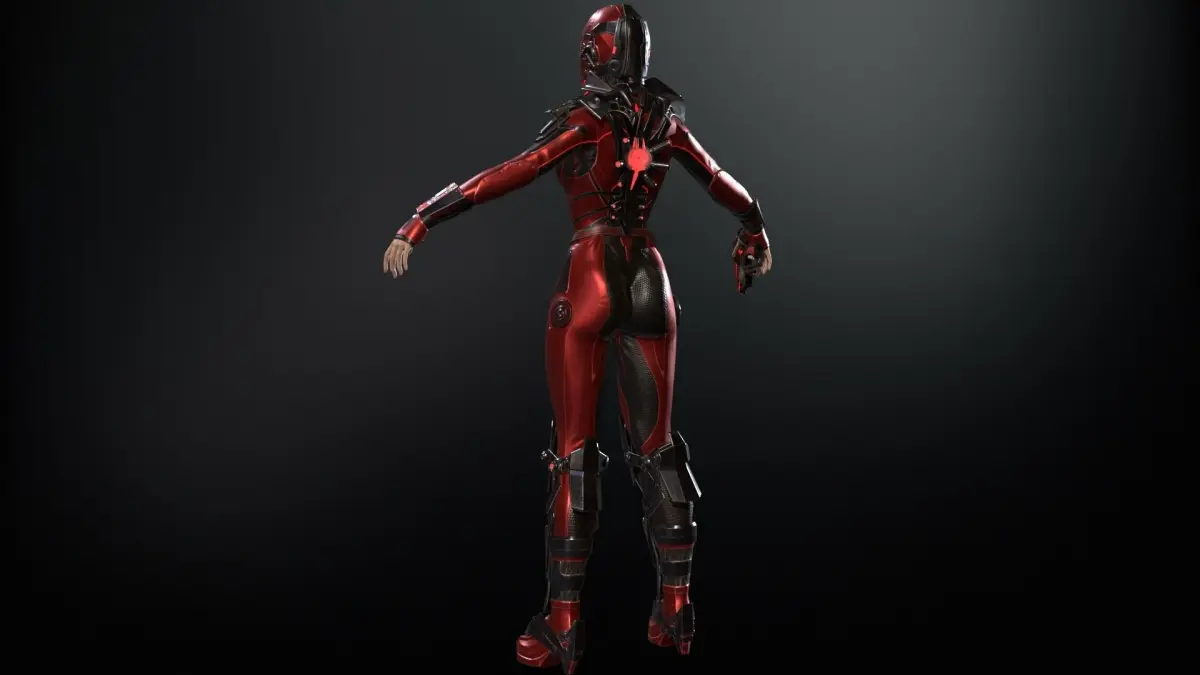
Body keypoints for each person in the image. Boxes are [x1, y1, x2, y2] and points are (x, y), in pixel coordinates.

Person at [381, 5, 773, 672]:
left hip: (590, 274)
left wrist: (422, 218)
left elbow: (517, 169)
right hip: (650, 277)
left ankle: (563, 625)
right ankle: (676, 611)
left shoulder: (585, 122)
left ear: (594, 52)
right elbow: (720, 182)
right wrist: (755, 229)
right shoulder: (665, 124)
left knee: (573, 454)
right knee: (659, 449)